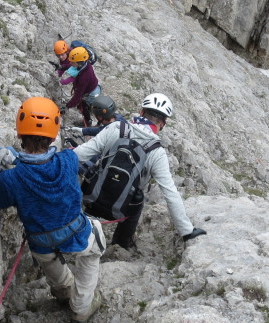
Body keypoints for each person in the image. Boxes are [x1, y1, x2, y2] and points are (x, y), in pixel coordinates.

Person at [0, 97, 105, 323]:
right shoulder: (67, 160)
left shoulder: (11, 177)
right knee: (94, 246)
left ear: (20, 133)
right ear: (53, 134)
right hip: (74, 230)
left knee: (47, 257)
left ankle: (63, 291)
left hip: (40, 239)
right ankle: (81, 308)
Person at [73, 92, 206, 251]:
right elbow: (170, 193)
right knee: (138, 200)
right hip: (120, 210)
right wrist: (187, 231)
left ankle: (76, 225)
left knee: (91, 171)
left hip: (90, 199)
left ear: (141, 112)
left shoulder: (116, 128)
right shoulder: (156, 152)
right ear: (163, 124)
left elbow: (80, 155)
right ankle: (121, 244)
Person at [61, 46, 99, 126]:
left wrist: (67, 107)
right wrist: (61, 67)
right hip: (92, 86)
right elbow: (71, 66)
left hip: (90, 92)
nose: (70, 63)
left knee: (84, 106)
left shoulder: (84, 77)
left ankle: (88, 121)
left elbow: (78, 95)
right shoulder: (84, 64)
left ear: (79, 62)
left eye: (72, 62)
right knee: (81, 103)